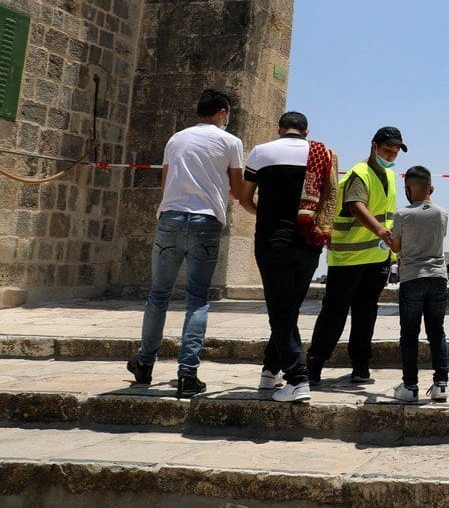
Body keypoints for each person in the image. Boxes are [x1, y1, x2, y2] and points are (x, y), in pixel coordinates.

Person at [126, 89, 244, 399]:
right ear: (221, 113)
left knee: (158, 295)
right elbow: (237, 188)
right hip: (205, 222)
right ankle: (187, 374)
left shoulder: (175, 139)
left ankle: (145, 363)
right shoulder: (230, 142)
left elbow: (166, 183)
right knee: (197, 299)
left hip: (171, 219)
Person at [239, 111, 336, 402]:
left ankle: (297, 377)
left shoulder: (261, 153)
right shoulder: (323, 155)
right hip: (309, 241)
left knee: (280, 310)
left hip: (273, 241)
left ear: (279, 129)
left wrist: (265, 214)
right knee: (288, 307)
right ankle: (270, 370)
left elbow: (245, 197)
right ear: (306, 132)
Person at [306, 126, 406, 386]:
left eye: (395, 153)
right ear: (374, 146)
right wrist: (380, 230)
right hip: (349, 259)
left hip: (377, 258)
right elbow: (356, 206)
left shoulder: (390, 176)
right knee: (335, 312)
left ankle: (361, 366)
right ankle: (314, 364)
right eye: (388, 151)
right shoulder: (358, 173)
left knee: (366, 313)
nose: (391, 156)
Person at [388, 166, 449, 403]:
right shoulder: (442, 213)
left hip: (412, 277)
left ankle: (410, 386)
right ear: (431, 188)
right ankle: (441, 384)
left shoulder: (402, 214)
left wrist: (388, 238)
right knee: (437, 332)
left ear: (407, 188)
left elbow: (396, 247)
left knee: (410, 334)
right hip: (437, 277)